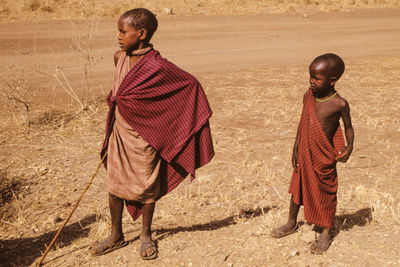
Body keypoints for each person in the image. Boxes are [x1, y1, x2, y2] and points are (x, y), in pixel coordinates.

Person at [90, 8, 214, 260]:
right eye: (119, 31)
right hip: (120, 133)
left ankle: (146, 234)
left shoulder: (158, 66)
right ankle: (116, 235)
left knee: (146, 187)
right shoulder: (119, 58)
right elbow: (121, 92)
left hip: (145, 138)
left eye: (123, 31)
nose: (119, 36)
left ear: (142, 33)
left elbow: (189, 85)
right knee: (115, 185)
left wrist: (163, 126)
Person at [270, 53, 354, 254]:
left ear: (332, 80)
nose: (311, 81)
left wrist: (349, 147)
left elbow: (349, 127)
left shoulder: (339, 104)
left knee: (326, 192)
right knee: (297, 187)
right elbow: (302, 124)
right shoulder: (308, 97)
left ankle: (326, 231)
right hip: (304, 152)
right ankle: (291, 222)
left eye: (316, 78)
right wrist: (295, 148)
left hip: (323, 156)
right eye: (310, 76)